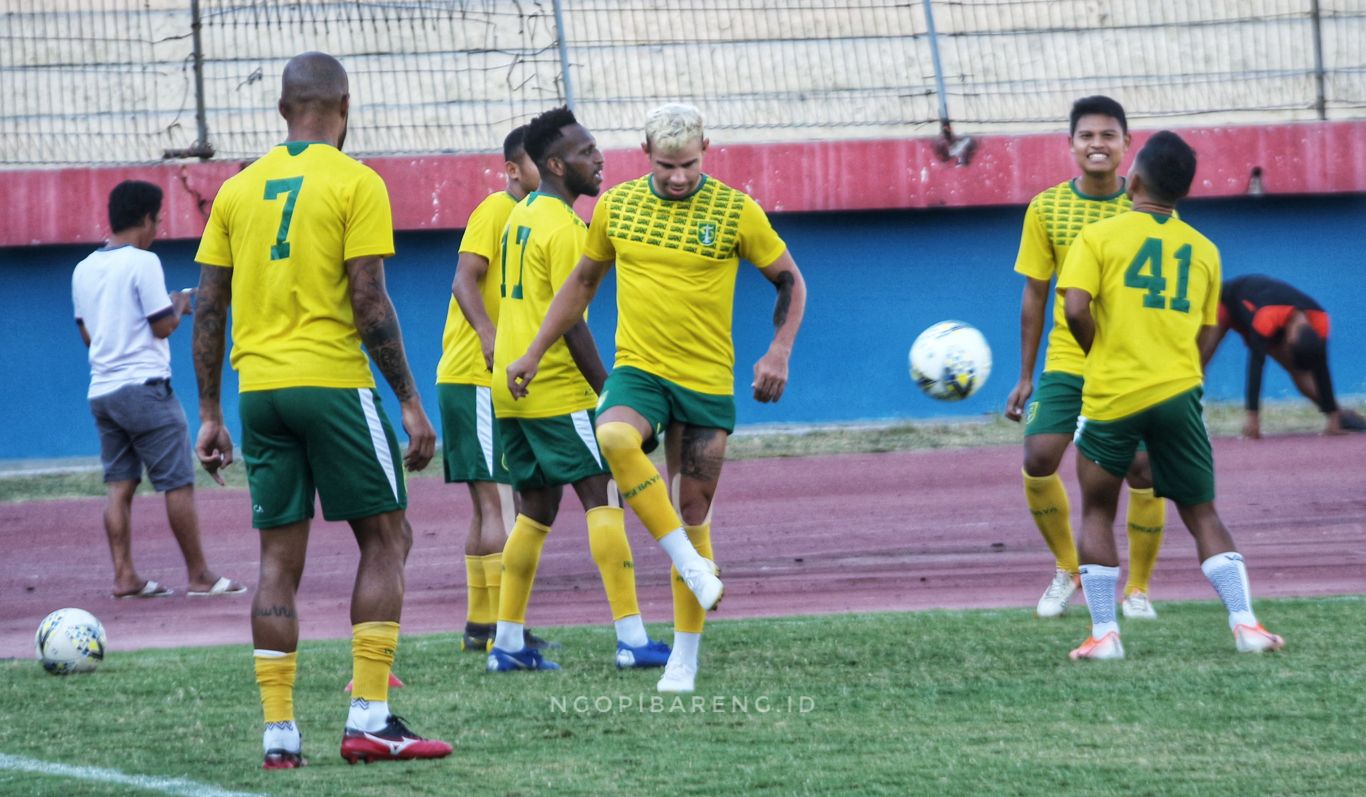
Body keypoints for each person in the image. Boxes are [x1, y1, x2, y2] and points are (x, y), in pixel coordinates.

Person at [191, 52, 450, 768]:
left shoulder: (238, 192)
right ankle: (368, 716)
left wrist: (209, 412)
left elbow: (209, 305)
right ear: (346, 105)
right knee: (387, 538)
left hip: (259, 393)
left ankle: (279, 732)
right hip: (332, 383)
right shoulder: (356, 181)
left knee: (277, 558)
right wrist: (408, 401)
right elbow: (368, 298)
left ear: (282, 111)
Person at [506, 102, 808, 693]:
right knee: (613, 435)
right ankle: (694, 568)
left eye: (689, 164)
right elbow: (582, 284)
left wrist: (779, 351)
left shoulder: (735, 210)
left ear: (706, 151)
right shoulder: (617, 207)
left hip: (704, 379)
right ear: (645, 151)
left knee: (693, 511)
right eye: (667, 164)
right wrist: (534, 350)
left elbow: (791, 283)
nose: (677, 176)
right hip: (640, 370)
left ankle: (684, 660)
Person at [1059, 130, 1284, 660]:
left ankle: (1104, 634)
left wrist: (1101, 356)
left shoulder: (1098, 238)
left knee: (1096, 509)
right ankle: (1246, 625)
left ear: (1131, 180)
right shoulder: (1205, 250)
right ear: (1183, 191)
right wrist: (1181, 371)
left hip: (1113, 393)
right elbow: (1210, 331)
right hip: (1180, 392)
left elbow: (1073, 310)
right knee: (1202, 510)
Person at [486, 106, 671, 673]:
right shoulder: (567, 228)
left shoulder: (520, 216)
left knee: (533, 514)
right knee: (605, 500)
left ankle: (508, 644)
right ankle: (632, 638)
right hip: (558, 392)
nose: (600, 158)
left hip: (509, 391)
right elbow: (572, 320)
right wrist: (610, 395)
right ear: (557, 164)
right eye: (588, 151)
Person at [1003, 96, 1168, 621]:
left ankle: (1137, 589)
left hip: (1128, 366)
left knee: (1143, 468)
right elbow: (1034, 293)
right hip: (1067, 361)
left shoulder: (1150, 208)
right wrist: (1026, 375)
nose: (1097, 144)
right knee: (1038, 458)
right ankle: (1067, 568)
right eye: (1087, 136)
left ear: (1127, 145)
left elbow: (1162, 295)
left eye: (1108, 135)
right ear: (1071, 145)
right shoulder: (1046, 207)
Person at [71, 180, 244, 601]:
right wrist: (181, 303)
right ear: (146, 218)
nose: (160, 227)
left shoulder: (83, 268)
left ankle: (125, 575)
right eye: (159, 219)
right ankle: (200, 575)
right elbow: (162, 325)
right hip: (146, 389)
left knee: (119, 485)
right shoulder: (143, 262)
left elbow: (88, 336)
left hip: (103, 389)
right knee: (177, 483)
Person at [437, 125, 549, 654]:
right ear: (511, 169)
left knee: (489, 506)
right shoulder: (496, 211)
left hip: (474, 379)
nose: (546, 170)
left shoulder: (532, 217)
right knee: (501, 506)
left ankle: (482, 627)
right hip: (476, 375)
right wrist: (489, 338)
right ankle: (507, 633)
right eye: (536, 162)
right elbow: (464, 280)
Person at [1207, 274, 1366, 438]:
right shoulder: (1267, 318)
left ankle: (1338, 415)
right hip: (1227, 301)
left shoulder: (1320, 321)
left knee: (1300, 371)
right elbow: (1256, 365)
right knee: (1204, 354)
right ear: (1289, 340)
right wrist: (1253, 416)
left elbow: (1321, 369)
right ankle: (1186, 411)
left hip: (1265, 320)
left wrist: (1332, 416)